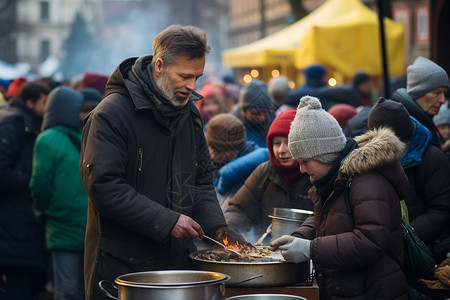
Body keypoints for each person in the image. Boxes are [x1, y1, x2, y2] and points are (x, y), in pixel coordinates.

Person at [79, 25, 249, 300]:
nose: (193, 87)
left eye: (197, 77)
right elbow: (104, 186)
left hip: (178, 264)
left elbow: (202, 181)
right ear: (159, 66)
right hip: (123, 269)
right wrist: (167, 221)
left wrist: (218, 228)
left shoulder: (189, 114)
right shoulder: (111, 115)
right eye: (184, 76)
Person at [270, 96, 408, 299]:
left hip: (374, 291)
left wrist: (310, 248)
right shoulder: (332, 178)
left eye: (306, 161)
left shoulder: (367, 180)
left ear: (326, 154)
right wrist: (299, 237)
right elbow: (329, 216)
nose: (301, 169)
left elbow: (371, 241)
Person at [368, 98, 450, 264]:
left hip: (420, 252)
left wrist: (406, 237)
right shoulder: (368, 156)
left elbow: (442, 209)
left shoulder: (432, 158)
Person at [29, 86, 87, 300]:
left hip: (61, 225)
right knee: (88, 290)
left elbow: (40, 184)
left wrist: (40, 210)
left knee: (67, 291)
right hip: (90, 225)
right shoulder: (86, 137)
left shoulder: (46, 139)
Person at [224, 109, 313, 240]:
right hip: (268, 249)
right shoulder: (264, 172)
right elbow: (240, 210)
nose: (282, 150)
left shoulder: (315, 174)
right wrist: (227, 234)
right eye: (277, 143)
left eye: (288, 142)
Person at [0, 82, 49, 300]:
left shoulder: (29, 123)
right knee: (17, 287)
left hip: (22, 224)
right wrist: (33, 180)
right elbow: (2, 173)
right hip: (13, 223)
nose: (47, 107)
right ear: (30, 102)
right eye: (44, 102)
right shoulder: (14, 126)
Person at [205, 113, 267, 210]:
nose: (214, 155)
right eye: (212, 148)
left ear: (237, 147)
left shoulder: (254, 169)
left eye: (221, 150)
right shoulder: (204, 160)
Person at [391, 56, 449, 147]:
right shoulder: (402, 128)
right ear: (418, 92)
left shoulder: (424, 120)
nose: (443, 100)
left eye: (444, 93)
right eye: (437, 93)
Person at [233, 80, 275, 147]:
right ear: (244, 110)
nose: (261, 118)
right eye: (255, 113)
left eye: (265, 112)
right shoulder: (232, 127)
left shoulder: (274, 122)